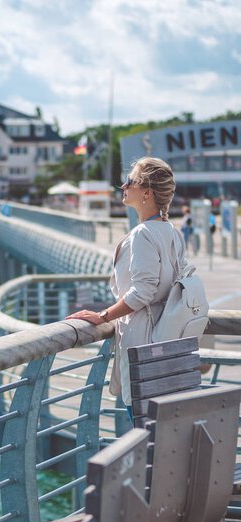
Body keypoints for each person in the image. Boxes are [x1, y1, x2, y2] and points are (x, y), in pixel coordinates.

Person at [65, 157, 187, 421]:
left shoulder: (143, 234)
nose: (123, 185)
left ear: (147, 193)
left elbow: (142, 292)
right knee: (165, 435)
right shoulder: (172, 232)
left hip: (142, 345)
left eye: (130, 181)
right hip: (167, 342)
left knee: (146, 431)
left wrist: (102, 317)